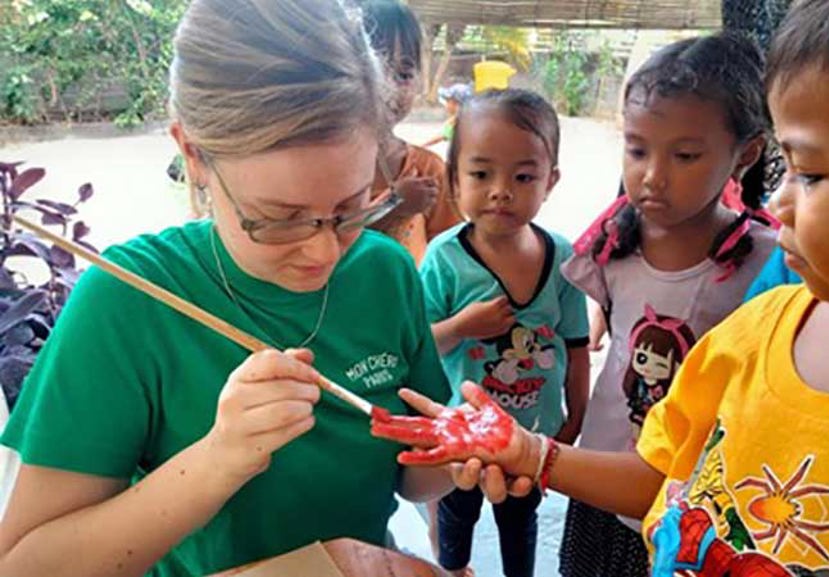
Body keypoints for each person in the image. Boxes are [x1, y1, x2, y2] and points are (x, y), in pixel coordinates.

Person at [373, 0, 829, 573]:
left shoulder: (759, 265)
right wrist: (534, 452)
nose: (779, 201)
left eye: (813, 174)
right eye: (788, 169)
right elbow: (664, 472)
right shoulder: (756, 329)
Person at [0, 2, 462, 576]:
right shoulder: (129, 299)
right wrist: (221, 457)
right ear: (194, 155)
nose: (323, 252)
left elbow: (412, 479)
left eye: (349, 210)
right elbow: (27, 566)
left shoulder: (384, 271)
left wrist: (458, 453)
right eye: (280, 218)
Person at [556, 32, 777, 577]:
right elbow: (612, 322)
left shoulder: (766, 263)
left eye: (684, 155)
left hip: (690, 498)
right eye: (636, 149)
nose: (653, 175)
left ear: (744, 154)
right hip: (600, 471)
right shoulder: (614, 242)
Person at [419, 88, 590, 577]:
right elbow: (421, 343)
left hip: (531, 434)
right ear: (454, 179)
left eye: (523, 176)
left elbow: (576, 348)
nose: (501, 190)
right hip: (463, 433)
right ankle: (454, 569)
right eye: (480, 174)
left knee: (520, 517)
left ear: (550, 181)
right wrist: (463, 326)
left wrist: (574, 417)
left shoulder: (561, 258)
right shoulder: (444, 259)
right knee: (458, 511)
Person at [360, 0, 461, 265]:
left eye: (403, 74)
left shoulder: (429, 170)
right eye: (374, 70)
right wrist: (393, 207)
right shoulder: (319, 169)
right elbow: (323, 245)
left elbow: (450, 254)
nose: (389, 87)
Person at [422, 83, 473, 149]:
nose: (446, 105)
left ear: (457, 104)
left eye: (448, 101)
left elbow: (441, 136)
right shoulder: (468, 118)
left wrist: (422, 146)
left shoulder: (460, 120)